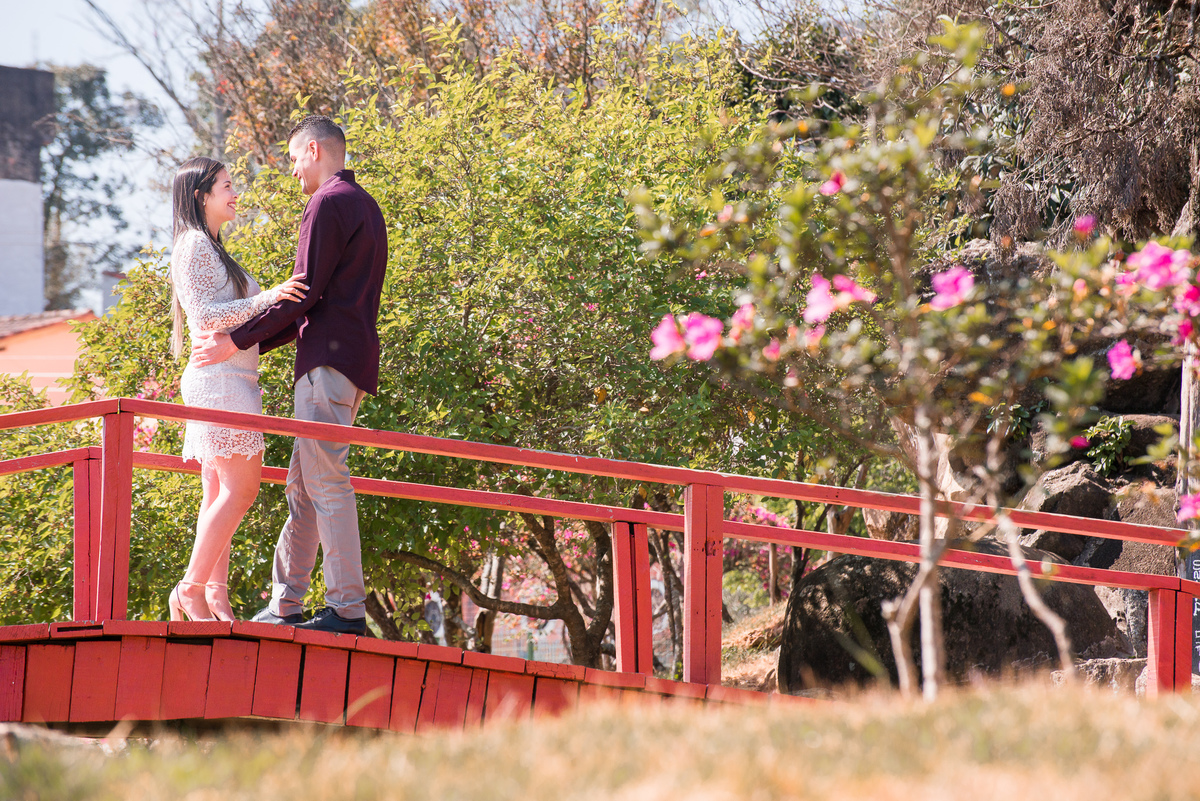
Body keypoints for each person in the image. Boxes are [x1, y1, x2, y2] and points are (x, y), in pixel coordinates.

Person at [191, 115, 388, 635]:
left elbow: (302, 292)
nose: (294, 169)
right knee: (303, 488)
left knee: (326, 482)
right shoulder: (366, 205)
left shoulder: (326, 202)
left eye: (295, 157)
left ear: (316, 150)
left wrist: (236, 341)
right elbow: (316, 304)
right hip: (349, 364)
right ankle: (286, 604)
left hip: (327, 365)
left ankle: (347, 609)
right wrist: (251, 340)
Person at [167, 157, 308, 621]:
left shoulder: (211, 246)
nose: (235, 193)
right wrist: (271, 296)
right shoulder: (194, 245)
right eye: (226, 186)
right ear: (201, 195)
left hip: (233, 379)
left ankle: (213, 593)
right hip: (219, 382)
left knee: (218, 493)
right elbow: (205, 316)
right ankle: (190, 588)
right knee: (241, 490)